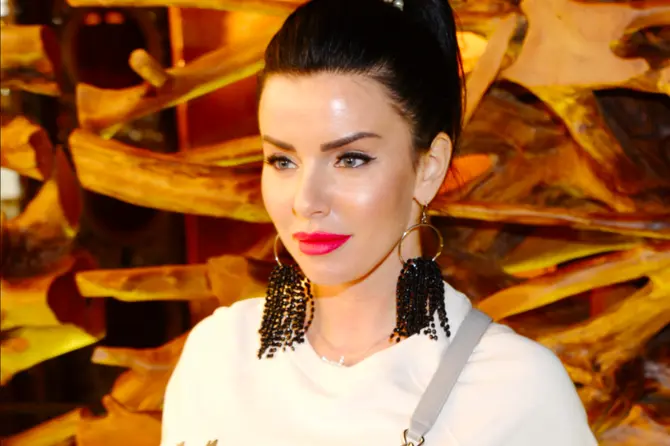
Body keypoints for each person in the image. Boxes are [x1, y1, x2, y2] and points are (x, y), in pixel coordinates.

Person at [161, 0, 599, 444]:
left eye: (350, 159)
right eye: (282, 160)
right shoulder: (218, 356)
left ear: (429, 168)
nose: (306, 201)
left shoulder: (511, 391)